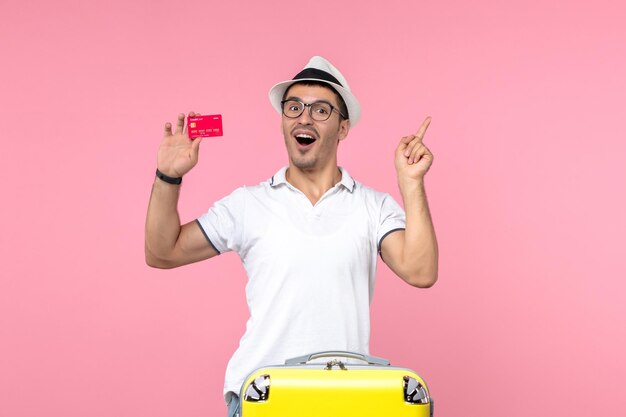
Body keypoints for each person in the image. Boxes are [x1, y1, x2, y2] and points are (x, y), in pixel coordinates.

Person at [145, 56, 438, 417]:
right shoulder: (248, 203)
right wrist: (168, 177)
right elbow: (162, 252)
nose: (303, 117)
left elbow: (421, 271)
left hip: (345, 401)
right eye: (294, 107)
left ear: (343, 128)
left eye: (320, 110)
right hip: (262, 398)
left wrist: (411, 185)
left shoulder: (373, 207)